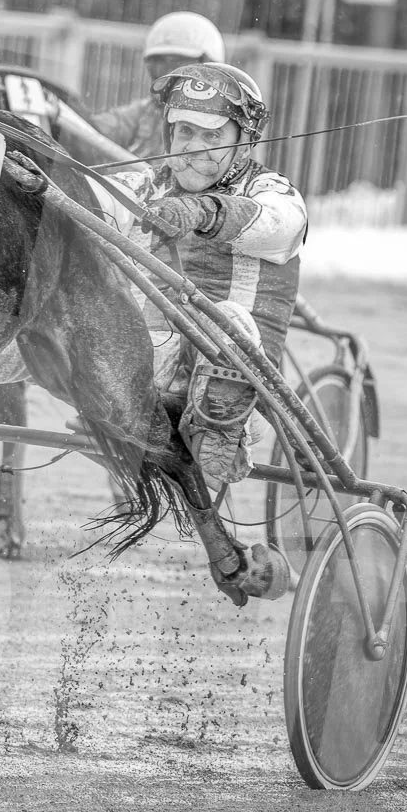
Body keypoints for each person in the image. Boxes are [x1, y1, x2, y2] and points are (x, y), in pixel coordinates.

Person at [114, 61, 308, 492]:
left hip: (242, 388)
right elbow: (95, 199)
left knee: (228, 318)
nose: (193, 147)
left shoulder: (273, 191)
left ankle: (217, 432)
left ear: (245, 141)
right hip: (142, 371)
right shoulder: (145, 186)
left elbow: (279, 225)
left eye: (212, 136)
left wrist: (204, 210)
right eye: (185, 131)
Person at [83, 12, 228, 162]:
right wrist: (69, 112)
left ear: (210, 68)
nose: (165, 73)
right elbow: (93, 132)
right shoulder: (145, 114)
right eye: (158, 63)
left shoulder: (228, 126)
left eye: (177, 64)